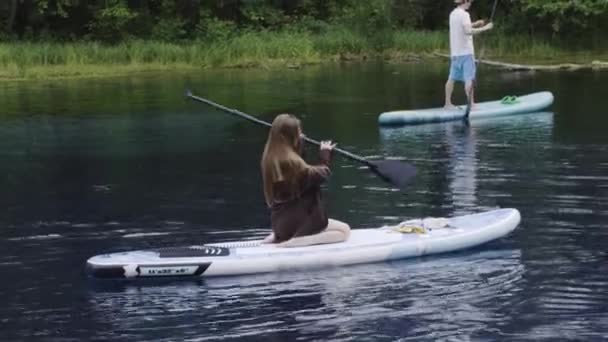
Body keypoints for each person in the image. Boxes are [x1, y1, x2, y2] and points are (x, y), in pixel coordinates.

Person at [260, 114, 351, 248]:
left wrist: (299, 145)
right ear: (291, 136)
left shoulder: (270, 158)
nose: (302, 134)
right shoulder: (291, 162)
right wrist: (325, 157)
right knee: (344, 230)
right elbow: (320, 175)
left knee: (336, 227)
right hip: (300, 221)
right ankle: (295, 242)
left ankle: (278, 236)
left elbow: (298, 175)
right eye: (299, 132)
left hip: (281, 222)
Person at [444, 0, 494, 109]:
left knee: (451, 78)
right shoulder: (465, 14)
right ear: (464, 1)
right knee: (469, 79)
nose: (471, 3)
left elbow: (463, 27)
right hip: (466, 53)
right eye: (469, 1)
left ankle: (447, 104)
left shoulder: (453, 13)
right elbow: (467, 31)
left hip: (455, 54)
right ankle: (471, 104)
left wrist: (475, 24)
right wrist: (485, 28)